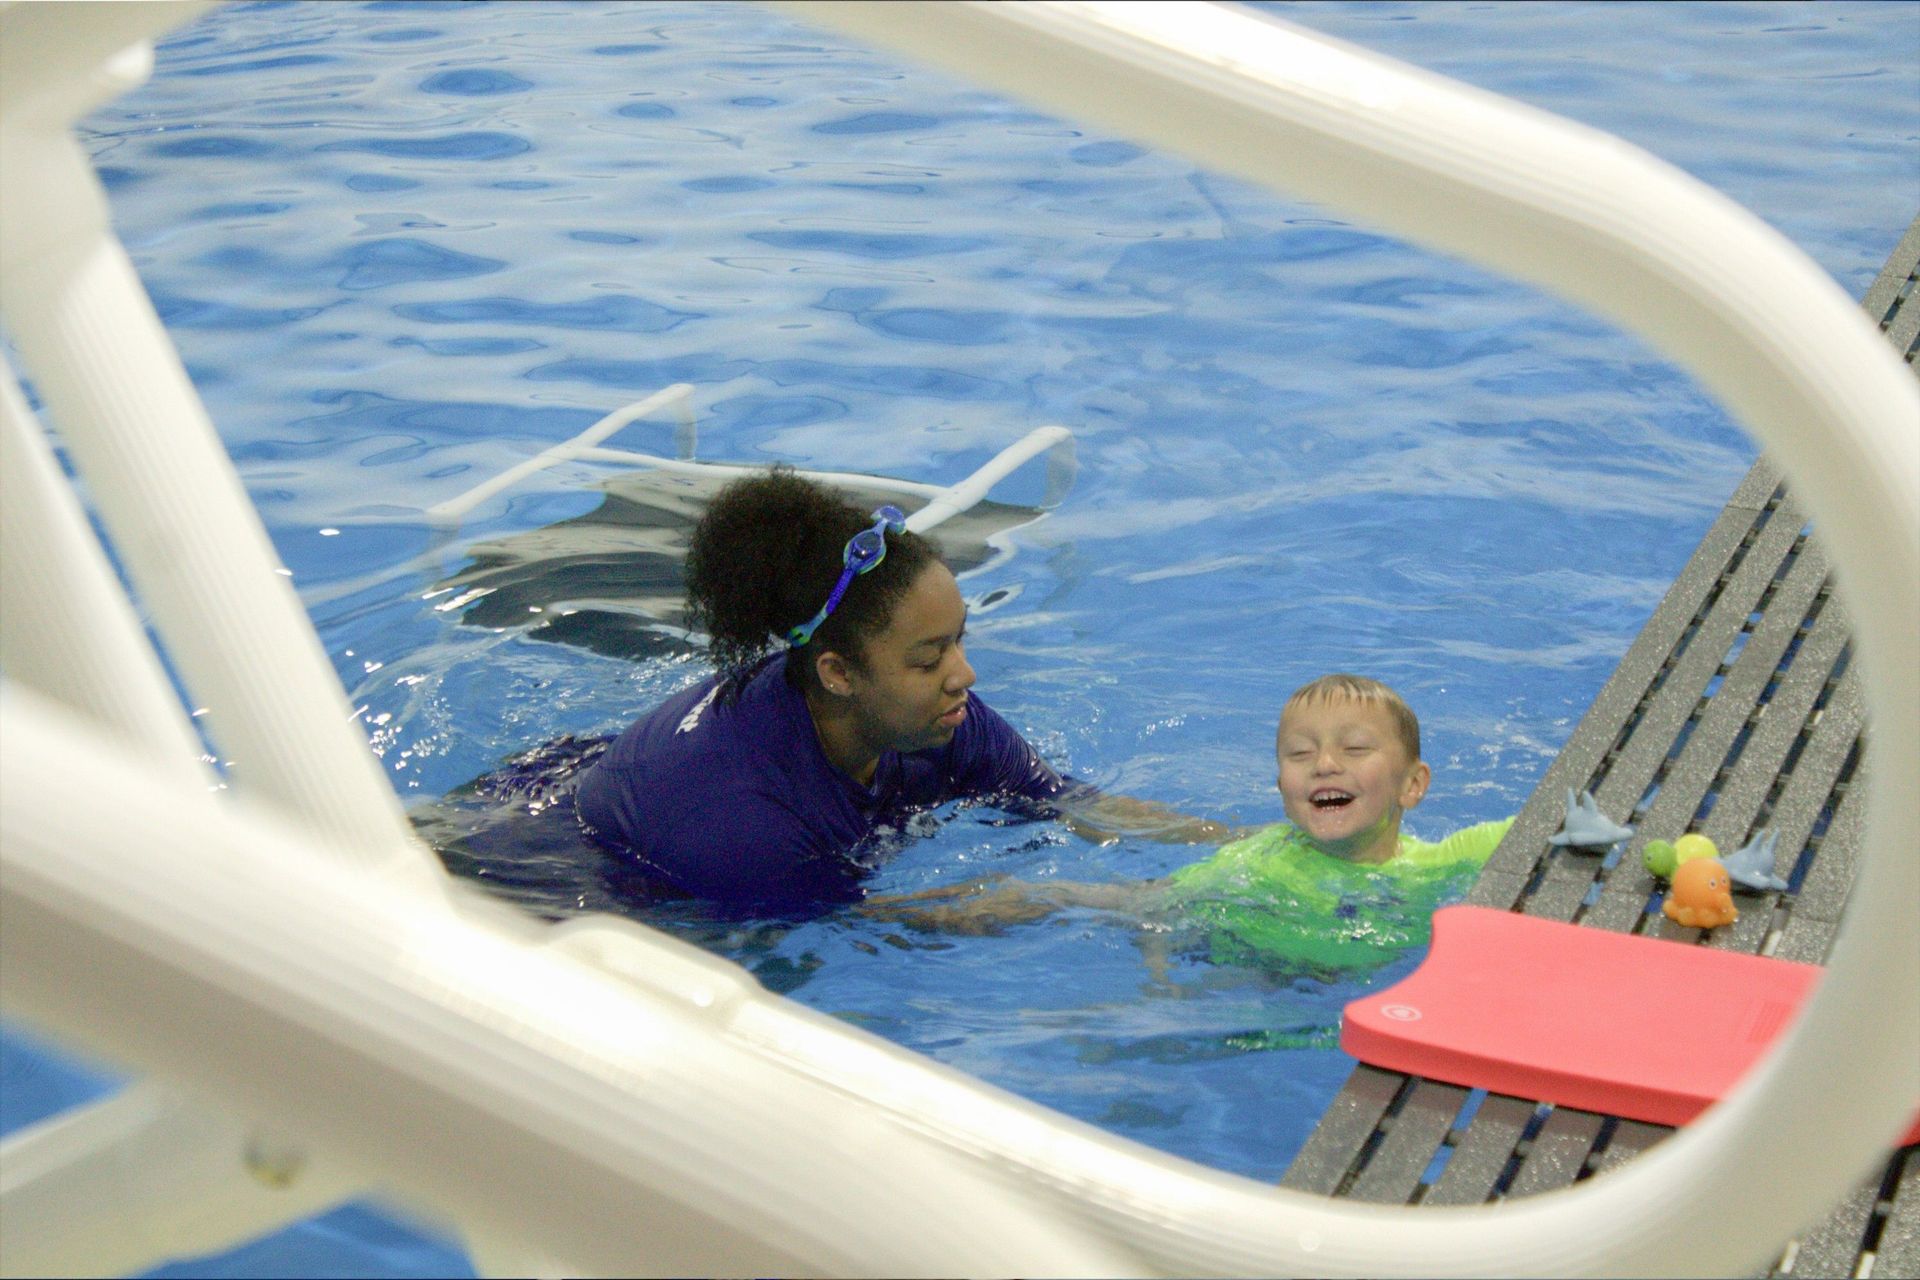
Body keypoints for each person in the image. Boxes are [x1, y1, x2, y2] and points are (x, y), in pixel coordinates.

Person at [571, 464, 1231, 912]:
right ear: (839, 673)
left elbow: (1071, 803)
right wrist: (1077, 901)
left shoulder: (937, 714)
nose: (963, 675)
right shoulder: (752, 828)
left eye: (959, 640)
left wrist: (1252, 848)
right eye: (928, 659)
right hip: (562, 874)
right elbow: (859, 932)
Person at [863, 674, 1511, 975]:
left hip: (1287, 962)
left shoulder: (1435, 863)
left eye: (1355, 750)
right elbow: (1157, 915)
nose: (1324, 766)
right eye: (1299, 753)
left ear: (1414, 785)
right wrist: (1159, 969)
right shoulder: (1263, 860)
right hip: (1229, 942)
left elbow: (1530, 832)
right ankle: (879, 914)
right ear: (1280, 783)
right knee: (1053, 898)